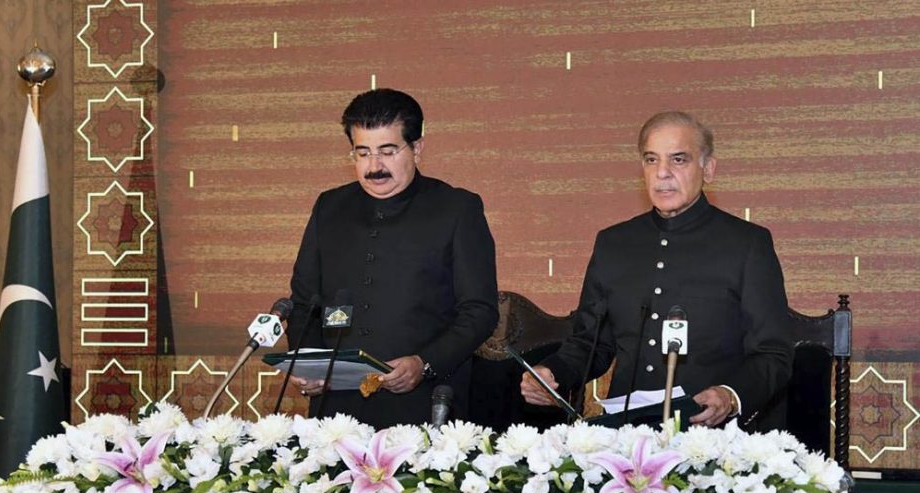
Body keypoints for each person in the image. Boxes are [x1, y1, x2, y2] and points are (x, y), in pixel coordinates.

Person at [521, 111, 793, 432]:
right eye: (651, 160)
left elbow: (773, 353)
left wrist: (730, 395)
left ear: (708, 169)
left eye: (678, 160)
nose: (662, 173)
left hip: (711, 438)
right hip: (625, 436)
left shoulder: (747, 244)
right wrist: (552, 373)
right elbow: (591, 343)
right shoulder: (614, 243)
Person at [287, 88, 499, 428]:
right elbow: (304, 302)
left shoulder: (457, 209)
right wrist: (309, 363)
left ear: (417, 148)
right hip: (336, 411)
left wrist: (424, 362)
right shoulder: (329, 207)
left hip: (426, 403)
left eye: (387, 152)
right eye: (363, 153)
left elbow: (480, 310)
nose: (374, 167)